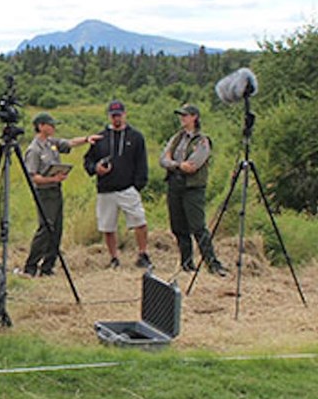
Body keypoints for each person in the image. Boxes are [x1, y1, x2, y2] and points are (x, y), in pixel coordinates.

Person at [22, 112, 101, 277]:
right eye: (50, 125)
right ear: (41, 126)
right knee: (46, 228)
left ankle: (48, 267)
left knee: (57, 229)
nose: (53, 128)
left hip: (56, 190)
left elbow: (70, 143)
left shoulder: (52, 143)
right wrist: (52, 178)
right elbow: (33, 177)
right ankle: (31, 266)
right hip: (45, 193)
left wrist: (87, 139)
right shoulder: (34, 149)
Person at [159, 104, 228, 276]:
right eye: (181, 115)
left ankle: (213, 263)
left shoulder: (202, 141)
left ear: (194, 117)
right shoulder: (177, 138)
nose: (182, 118)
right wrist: (177, 165)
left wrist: (173, 163)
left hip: (192, 188)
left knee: (198, 227)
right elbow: (163, 159)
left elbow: (193, 165)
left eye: (185, 115)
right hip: (175, 185)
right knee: (178, 226)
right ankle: (187, 263)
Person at [83, 99, 151, 269]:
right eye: (113, 116)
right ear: (109, 116)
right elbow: (88, 160)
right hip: (106, 189)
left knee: (139, 221)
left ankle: (143, 253)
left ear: (124, 114)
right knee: (108, 226)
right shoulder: (100, 137)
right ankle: (114, 257)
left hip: (128, 188)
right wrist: (95, 168)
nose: (116, 118)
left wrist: (138, 185)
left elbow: (141, 163)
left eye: (119, 115)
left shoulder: (136, 137)